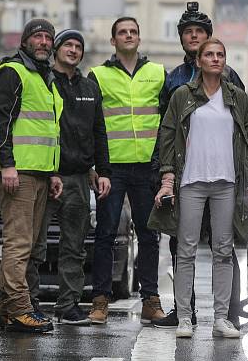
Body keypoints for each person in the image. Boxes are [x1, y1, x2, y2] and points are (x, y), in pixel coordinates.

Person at [150, 38, 248, 339]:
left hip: (226, 183)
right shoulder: (182, 95)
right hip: (191, 182)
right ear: (198, 61)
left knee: (223, 251)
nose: (215, 59)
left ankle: (222, 319)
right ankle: (184, 318)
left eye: (220, 54)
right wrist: (167, 177)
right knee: (185, 251)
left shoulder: (237, 97)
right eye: (209, 54)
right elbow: (168, 136)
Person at [26, 29, 112, 325]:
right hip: (46, 176)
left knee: (74, 247)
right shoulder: (43, 81)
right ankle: (29, 303)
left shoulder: (90, 86)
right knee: (35, 245)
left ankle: (68, 306)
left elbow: (98, 131)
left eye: (78, 46)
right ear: (57, 49)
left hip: (78, 179)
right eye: (68, 45)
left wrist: (102, 171)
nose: (73, 50)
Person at [88, 17, 168, 325]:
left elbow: (167, 123)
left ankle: (150, 299)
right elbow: (94, 126)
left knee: (149, 235)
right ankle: (100, 301)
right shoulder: (97, 75)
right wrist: (98, 167)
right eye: (123, 32)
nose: (129, 35)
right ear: (113, 41)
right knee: (106, 234)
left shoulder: (158, 73)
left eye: (134, 31)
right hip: (113, 169)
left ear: (140, 38)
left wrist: (163, 166)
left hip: (148, 167)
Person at [0, 18, 63, 333]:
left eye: (48, 37)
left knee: (29, 244)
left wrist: (54, 172)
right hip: (18, 172)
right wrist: (7, 165)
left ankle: (9, 311)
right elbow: (0, 121)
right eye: (38, 37)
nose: (44, 42)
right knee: (18, 243)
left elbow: (48, 130)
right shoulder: (13, 72)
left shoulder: (44, 77)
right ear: (25, 41)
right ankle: (20, 309)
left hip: (40, 172)